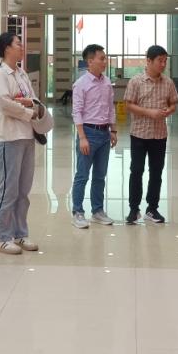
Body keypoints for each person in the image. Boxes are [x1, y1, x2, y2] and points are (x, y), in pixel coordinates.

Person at [0, 32, 43, 254]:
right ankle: (2, 237)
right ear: (6, 48)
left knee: (23, 190)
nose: (22, 47)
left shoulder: (22, 73)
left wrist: (27, 104)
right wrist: (27, 110)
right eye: (18, 44)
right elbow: (4, 103)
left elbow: (33, 100)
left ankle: (20, 233)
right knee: (8, 189)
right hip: (9, 137)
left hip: (27, 136)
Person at [124, 45, 178, 225]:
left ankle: (152, 209)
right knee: (136, 170)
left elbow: (173, 104)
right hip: (139, 134)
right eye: (160, 61)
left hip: (159, 135)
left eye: (165, 61)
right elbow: (128, 105)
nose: (163, 64)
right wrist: (149, 112)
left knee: (156, 172)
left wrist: (168, 111)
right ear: (148, 61)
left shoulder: (168, 82)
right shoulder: (136, 81)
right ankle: (134, 209)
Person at [70, 44, 117, 229]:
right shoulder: (80, 84)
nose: (105, 61)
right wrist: (82, 137)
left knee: (100, 176)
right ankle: (78, 212)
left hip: (104, 134)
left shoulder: (107, 82)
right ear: (90, 61)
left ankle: (97, 211)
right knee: (82, 175)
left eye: (105, 58)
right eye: (101, 58)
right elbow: (77, 112)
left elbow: (111, 108)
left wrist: (113, 130)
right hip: (88, 133)